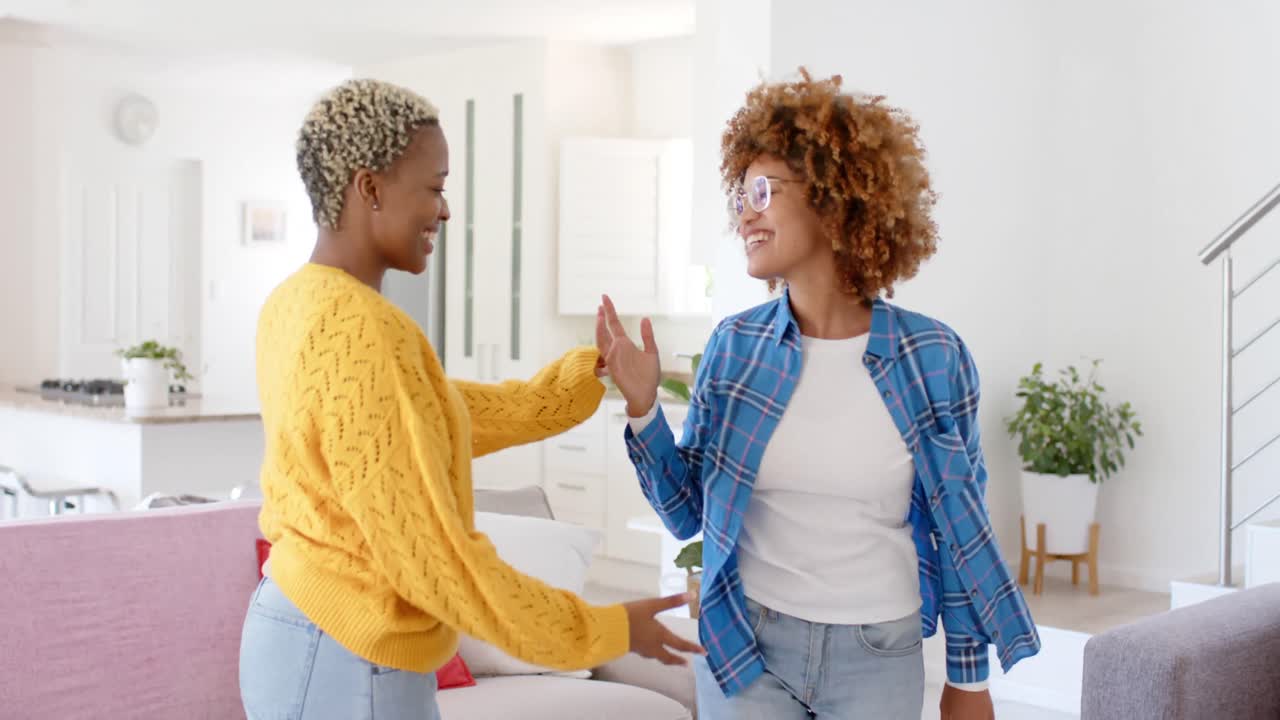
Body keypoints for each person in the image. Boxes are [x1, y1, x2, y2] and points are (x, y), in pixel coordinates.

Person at [239, 78, 702, 720]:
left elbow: (430, 416)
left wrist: (583, 376)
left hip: (307, 629)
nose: (445, 211)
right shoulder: (362, 330)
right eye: (433, 187)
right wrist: (603, 628)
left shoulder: (297, 302)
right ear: (369, 188)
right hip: (346, 653)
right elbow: (441, 563)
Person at [597, 70, 1040, 719]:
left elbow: (961, 532)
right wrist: (643, 412)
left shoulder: (933, 359)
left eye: (762, 190)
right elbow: (689, 512)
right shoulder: (735, 349)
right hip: (747, 649)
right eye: (739, 194)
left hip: (878, 653)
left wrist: (967, 683)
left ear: (834, 200)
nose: (744, 211)